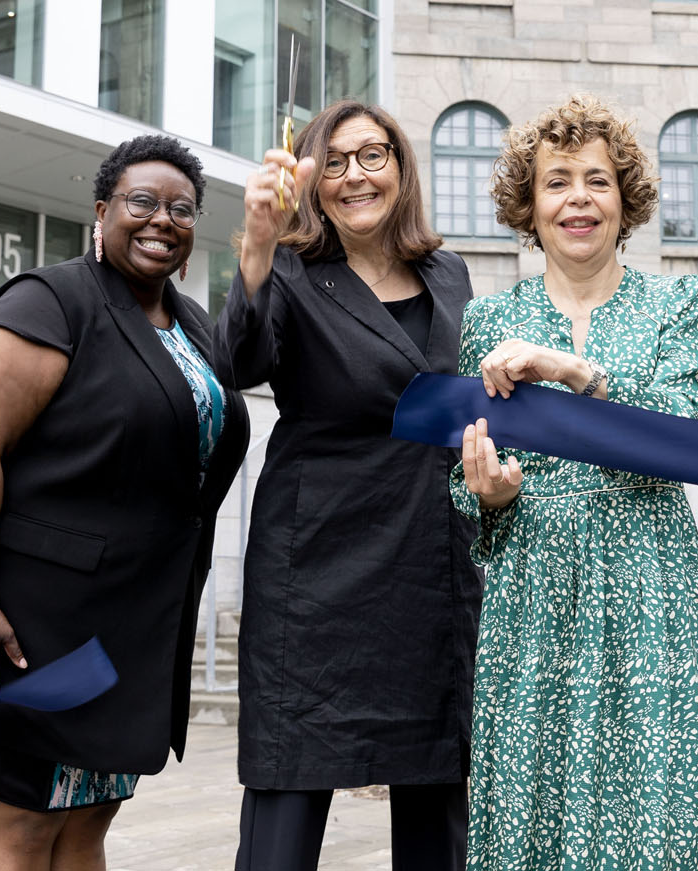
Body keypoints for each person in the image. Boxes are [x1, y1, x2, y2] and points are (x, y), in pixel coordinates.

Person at [0, 135, 251, 871]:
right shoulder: (49, 301)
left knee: (87, 823)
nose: (161, 219)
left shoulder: (194, 327)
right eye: (141, 201)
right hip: (29, 619)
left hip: (125, 629)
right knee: (24, 824)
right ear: (101, 211)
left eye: (181, 209)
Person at [454, 93, 698, 871]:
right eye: (557, 182)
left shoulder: (679, 302)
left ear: (625, 200)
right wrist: (489, 492)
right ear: (530, 207)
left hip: (649, 586)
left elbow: (685, 435)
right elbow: (462, 473)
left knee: (661, 806)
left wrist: (577, 373)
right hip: (534, 595)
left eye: (598, 181)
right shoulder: (487, 319)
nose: (579, 197)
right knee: (530, 808)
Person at [216, 100, 480, 871]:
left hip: (432, 558)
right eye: (333, 161)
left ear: (401, 168)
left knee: (437, 788)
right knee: (288, 788)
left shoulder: (449, 270)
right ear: (312, 181)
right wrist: (258, 248)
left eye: (373, 155)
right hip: (318, 564)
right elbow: (239, 362)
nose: (355, 175)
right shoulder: (293, 270)